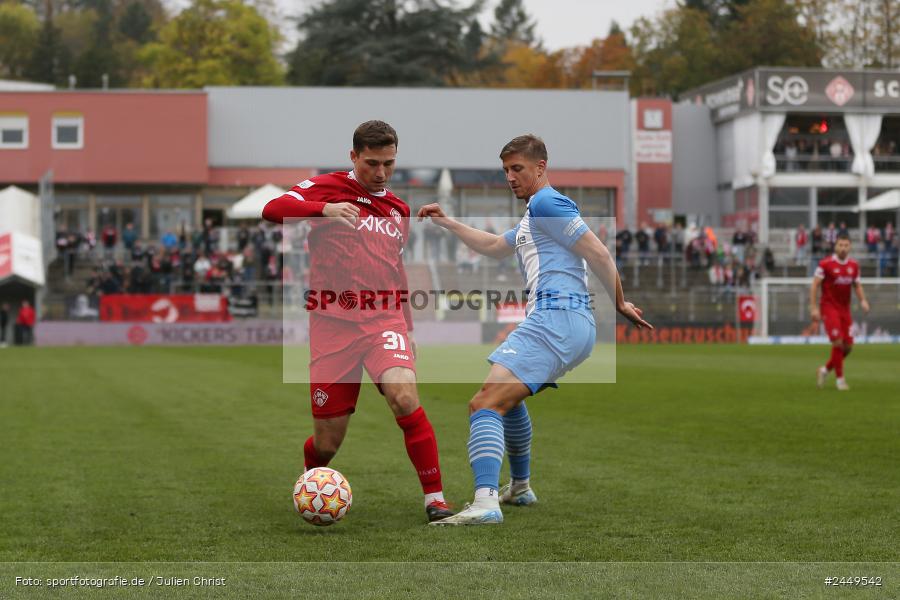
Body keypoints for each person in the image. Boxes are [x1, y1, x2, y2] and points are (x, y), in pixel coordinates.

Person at [417, 134, 651, 525]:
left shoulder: (546, 202)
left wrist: (620, 301)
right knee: (509, 399)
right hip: (564, 324)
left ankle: (485, 502)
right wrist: (447, 223)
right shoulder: (533, 215)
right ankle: (520, 487)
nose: (510, 176)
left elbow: (598, 251)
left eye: (518, 169)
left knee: (485, 403)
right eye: (506, 169)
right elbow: (495, 245)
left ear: (540, 168)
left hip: (556, 319)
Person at [260, 120, 453, 523]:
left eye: (388, 163)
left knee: (404, 398)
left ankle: (435, 499)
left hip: (384, 320)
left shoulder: (398, 209)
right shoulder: (326, 188)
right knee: (328, 443)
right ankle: (313, 482)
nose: (380, 173)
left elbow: (395, 272)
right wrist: (323, 210)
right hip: (332, 324)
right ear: (353, 157)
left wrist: (409, 327)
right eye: (371, 163)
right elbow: (272, 209)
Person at [811, 233, 869, 391]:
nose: (843, 248)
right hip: (829, 307)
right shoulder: (825, 264)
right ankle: (840, 380)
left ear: (850, 247)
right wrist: (814, 307)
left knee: (848, 347)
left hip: (845, 309)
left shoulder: (854, 266)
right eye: (840, 245)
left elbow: (857, 285)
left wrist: (863, 300)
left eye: (846, 245)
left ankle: (824, 370)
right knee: (837, 342)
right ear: (835, 246)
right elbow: (815, 285)